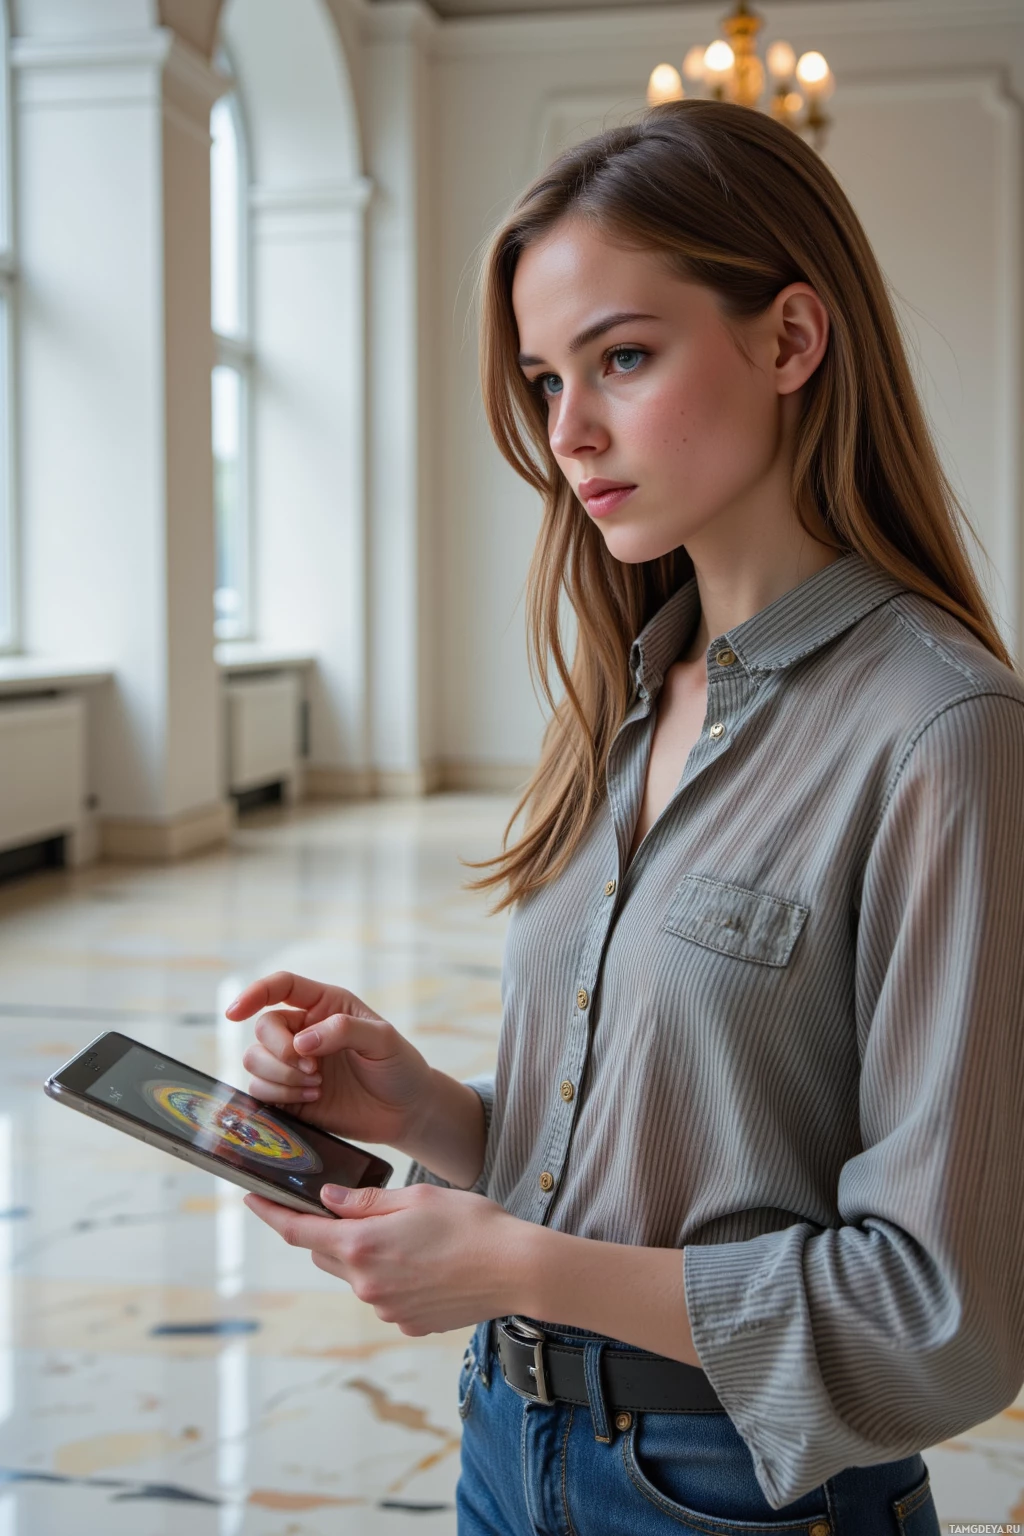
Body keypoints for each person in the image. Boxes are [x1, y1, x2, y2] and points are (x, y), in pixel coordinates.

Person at [226, 100, 1024, 1533]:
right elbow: (693, 1161)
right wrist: (432, 1113)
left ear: (790, 340)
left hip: (737, 1495)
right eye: (543, 380)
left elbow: (937, 1314)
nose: (568, 431)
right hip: (506, 1445)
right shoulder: (632, 699)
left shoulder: (941, 734)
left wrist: (519, 1270)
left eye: (624, 358)